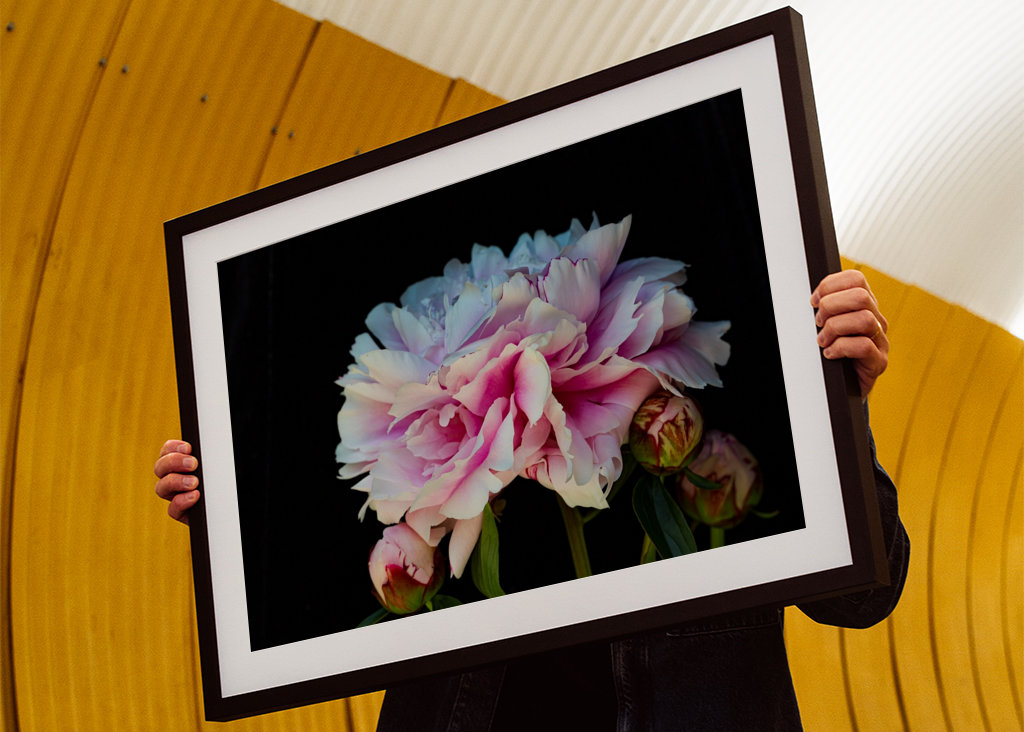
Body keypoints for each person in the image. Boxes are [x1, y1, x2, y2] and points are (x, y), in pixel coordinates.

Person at [155, 270, 908, 731]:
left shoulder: (724, 386)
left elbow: (865, 595)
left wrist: (839, 404)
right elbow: (322, 566)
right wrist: (233, 506)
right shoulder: (432, 478)